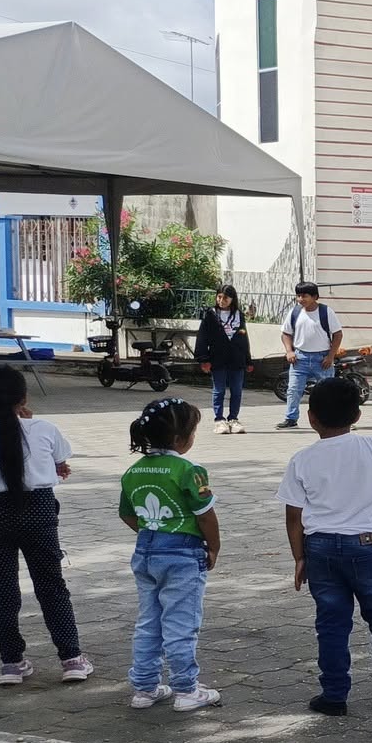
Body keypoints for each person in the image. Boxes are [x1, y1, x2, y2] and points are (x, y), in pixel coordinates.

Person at [278, 377, 372, 717]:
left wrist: (299, 557)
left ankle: (334, 694)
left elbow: (293, 516)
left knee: (331, 622)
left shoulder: (301, 459)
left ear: (311, 417)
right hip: (368, 546)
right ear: (357, 415)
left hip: (320, 549)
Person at [0, 366, 90, 685]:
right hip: (38, 511)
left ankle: (11, 663)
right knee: (51, 585)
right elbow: (60, 461)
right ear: (24, 398)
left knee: (2, 589)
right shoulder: (44, 428)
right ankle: (71, 659)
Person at [119, 397, 222, 713]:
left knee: (149, 622)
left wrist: (153, 532)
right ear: (180, 439)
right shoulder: (190, 470)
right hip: (182, 555)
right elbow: (206, 515)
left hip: (146, 551)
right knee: (181, 624)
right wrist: (213, 547)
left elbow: (127, 514)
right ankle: (186, 689)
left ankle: (145, 688)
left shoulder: (134, 470)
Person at [277, 281, 341, 431]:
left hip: (322, 359)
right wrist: (289, 351)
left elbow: (338, 334)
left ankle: (335, 420)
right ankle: (291, 419)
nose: (301, 299)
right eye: (298, 296)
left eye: (304, 296)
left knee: (329, 392)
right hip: (300, 359)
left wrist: (330, 356)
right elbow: (286, 333)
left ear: (315, 297)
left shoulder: (326, 312)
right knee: (293, 390)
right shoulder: (295, 312)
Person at [194, 284, 253, 436]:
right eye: (219, 297)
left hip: (237, 359)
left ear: (232, 299)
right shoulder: (210, 315)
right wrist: (203, 359)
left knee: (236, 390)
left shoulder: (239, 315)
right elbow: (202, 338)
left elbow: (243, 338)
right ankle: (219, 420)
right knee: (219, 390)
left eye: (225, 298)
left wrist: (248, 360)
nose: (221, 300)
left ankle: (233, 419)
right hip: (217, 359)